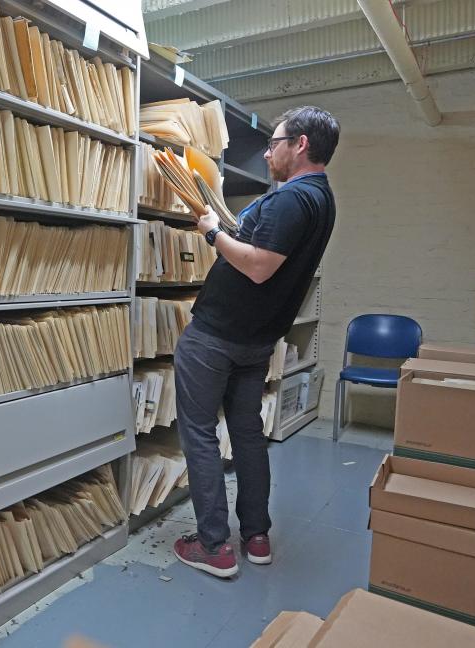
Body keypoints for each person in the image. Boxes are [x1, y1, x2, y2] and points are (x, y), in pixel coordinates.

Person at [172, 106, 339, 578]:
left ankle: (213, 546)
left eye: (275, 142)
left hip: (217, 337)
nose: (268, 152)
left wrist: (212, 232)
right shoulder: (320, 199)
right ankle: (256, 536)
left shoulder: (292, 199)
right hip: (255, 341)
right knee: (247, 435)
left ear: (300, 143)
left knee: (201, 435)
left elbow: (260, 266)